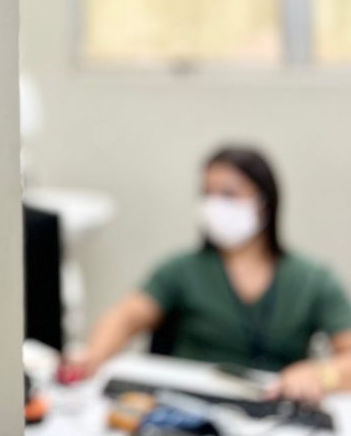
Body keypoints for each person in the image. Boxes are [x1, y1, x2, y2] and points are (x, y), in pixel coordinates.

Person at [66, 145, 351, 405]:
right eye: (207, 194)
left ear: (264, 203)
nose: (215, 206)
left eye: (229, 194)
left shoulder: (312, 280)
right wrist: (92, 355)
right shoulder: (182, 270)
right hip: (189, 407)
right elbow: (126, 316)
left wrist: (322, 375)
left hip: (275, 409)